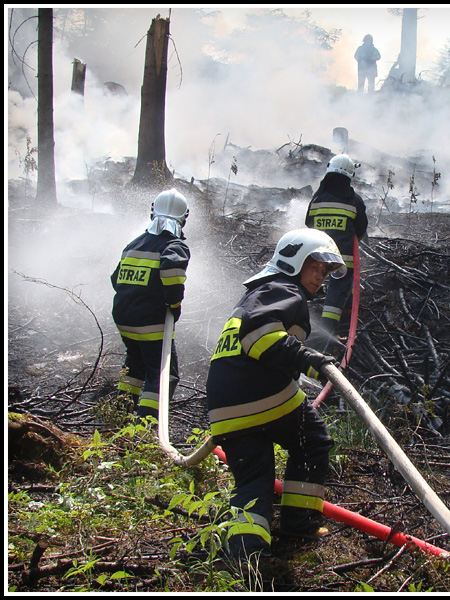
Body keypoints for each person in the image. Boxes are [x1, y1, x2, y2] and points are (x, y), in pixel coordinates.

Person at [206, 228, 346, 562]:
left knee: (254, 477)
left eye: (325, 271)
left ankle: (246, 554)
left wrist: (310, 364)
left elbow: (270, 346)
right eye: (315, 266)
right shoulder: (283, 289)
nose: (320, 276)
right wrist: (307, 359)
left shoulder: (259, 295)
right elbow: (261, 339)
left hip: (224, 406)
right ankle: (299, 524)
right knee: (312, 441)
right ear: (293, 260)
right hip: (262, 393)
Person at [111, 188, 190, 420]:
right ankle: (145, 428)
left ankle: (119, 416)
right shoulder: (174, 245)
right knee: (163, 374)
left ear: (152, 213)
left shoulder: (133, 244)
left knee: (135, 365)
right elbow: (172, 272)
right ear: (184, 219)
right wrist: (174, 305)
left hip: (124, 320)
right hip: (151, 324)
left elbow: (116, 280)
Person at [305, 154, 368, 351]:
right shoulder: (353, 200)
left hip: (318, 255)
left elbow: (308, 223)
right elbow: (361, 228)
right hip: (343, 258)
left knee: (312, 284)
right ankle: (328, 331)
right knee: (338, 288)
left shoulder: (317, 198)